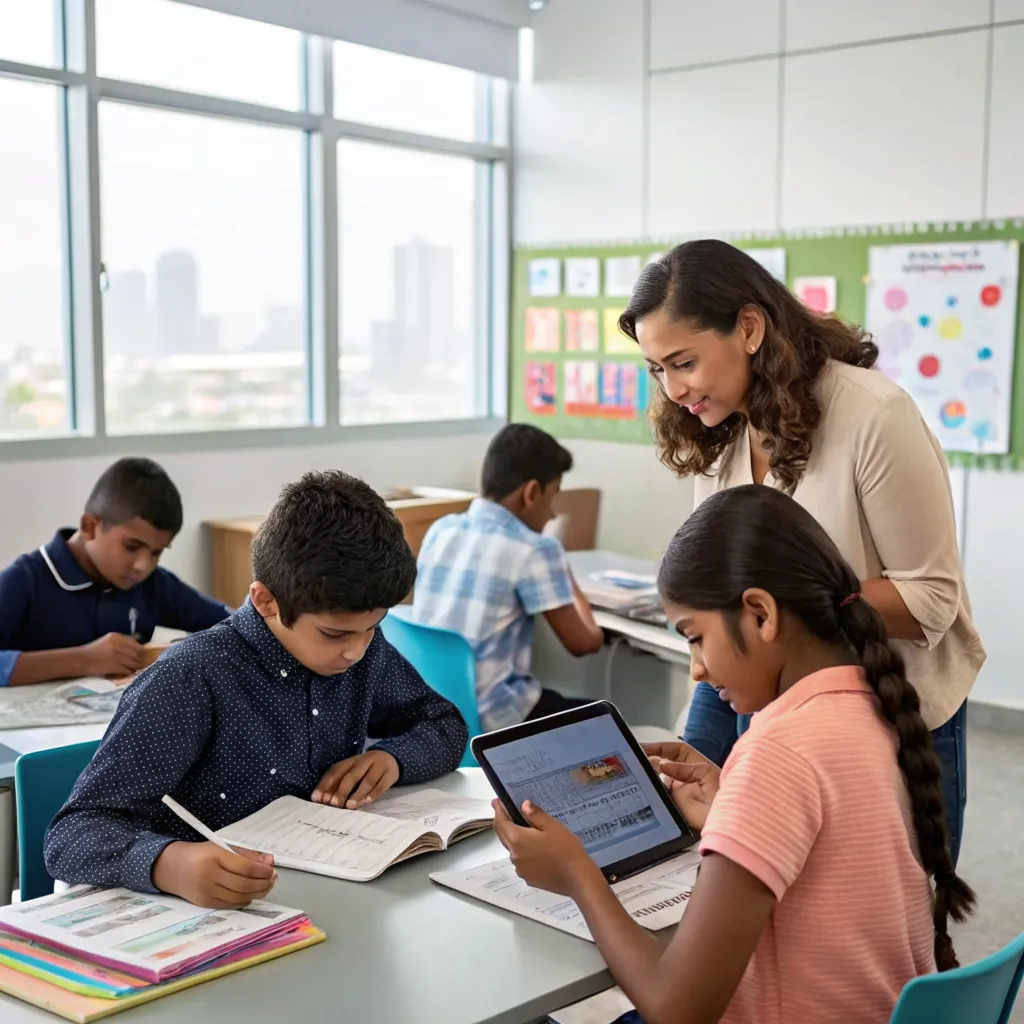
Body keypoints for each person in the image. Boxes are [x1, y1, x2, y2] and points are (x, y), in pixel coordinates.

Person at [494, 485, 976, 1024]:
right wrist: (731, 808)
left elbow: (678, 1009)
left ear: (760, 614)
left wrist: (577, 873)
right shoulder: (871, 709)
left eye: (695, 637)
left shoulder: (779, 751)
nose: (696, 668)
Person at [618, 239, 984, 865]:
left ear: (750, 329)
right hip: (761, 681)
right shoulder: (722, 427)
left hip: (889, 701)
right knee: (686, 847)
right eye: (657, 369)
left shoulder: (874, 415)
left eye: (683, 362)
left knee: (877, 910)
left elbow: (932, 598)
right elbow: (718, 589)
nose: (673, 389)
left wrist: (786, 609)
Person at [45, 470, 468, 907]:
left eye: (373, 627)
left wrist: (393, 760)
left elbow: (445, 723)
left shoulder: (362, 647)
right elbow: (72, 835)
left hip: (332, 897)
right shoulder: (191, 679)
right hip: (207, 913)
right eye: (334, 634)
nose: (356, 653)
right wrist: (169, 863)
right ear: (266, 600)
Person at [413, 423, 603, 730]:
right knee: (606, 718)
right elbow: (585, 642)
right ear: (531, 493)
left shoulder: (442, 529)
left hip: (431, 708)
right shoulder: (534, 549)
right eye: (552, 497)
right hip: (493, 718)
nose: (552, 514)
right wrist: (559, 560)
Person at [0, 457, 230, 686]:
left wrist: (180, 652)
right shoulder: (25, 580)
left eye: (156, 553)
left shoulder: (155, 584)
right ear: (89, 527)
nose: (143, 566)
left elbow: (235, 625)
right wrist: (84, 660)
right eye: (132, 547)